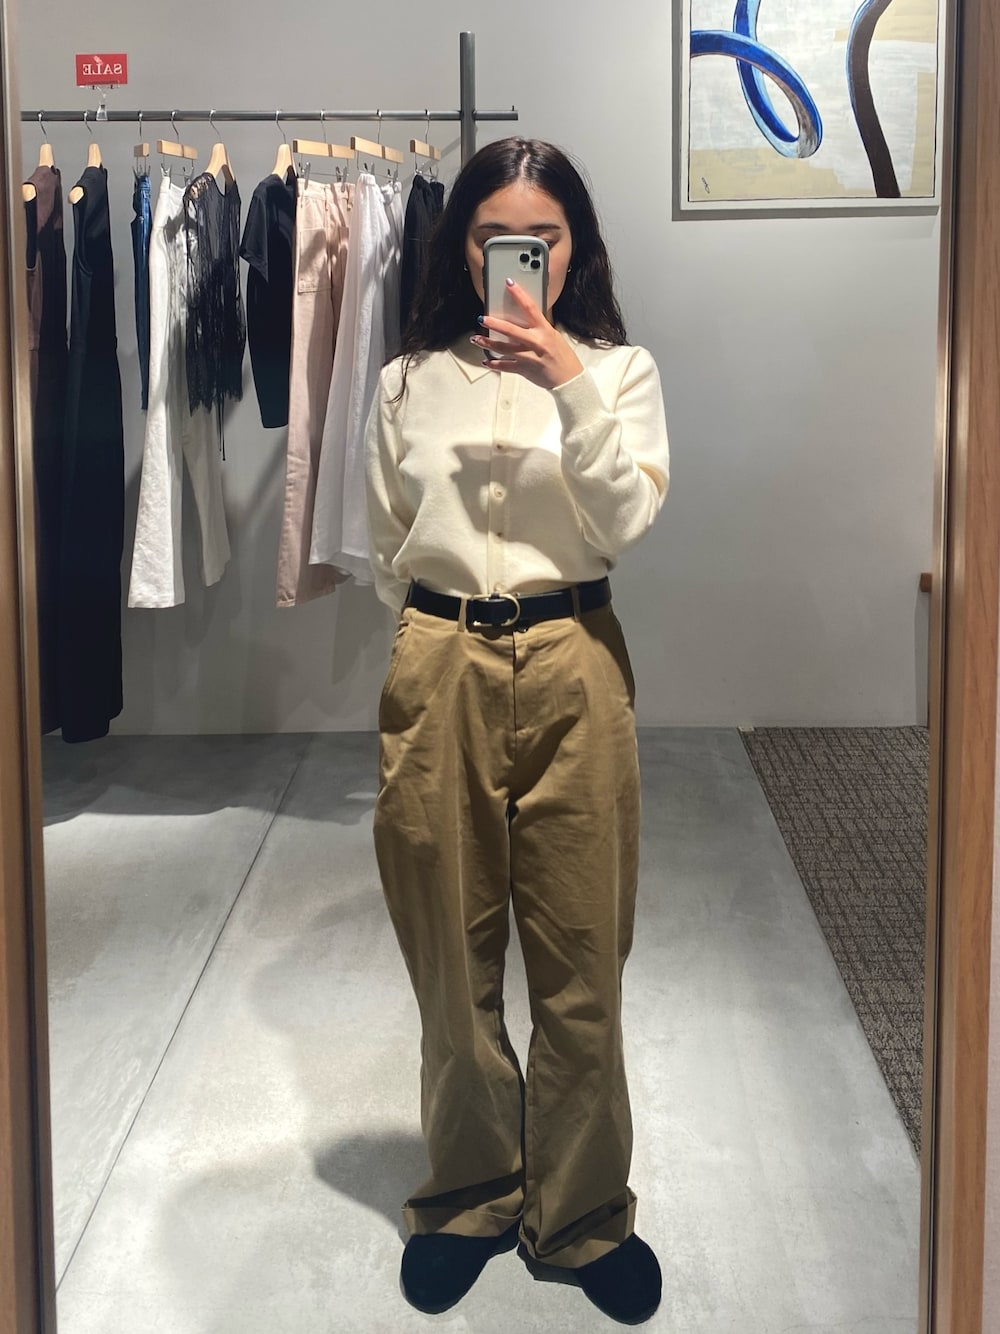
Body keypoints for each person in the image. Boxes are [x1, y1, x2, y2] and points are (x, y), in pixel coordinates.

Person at [363, 136, 670, 1325]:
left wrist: (566, 382)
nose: (519, 257)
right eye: (496, 238)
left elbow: (624, 519)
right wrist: (435, 633)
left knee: (582, 955)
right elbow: (387, 534)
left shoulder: (620, 372)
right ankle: (471, 1192)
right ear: (461, 248)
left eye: (541, 238)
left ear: (575, 246)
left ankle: (582, 1211)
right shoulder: (406, 381)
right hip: (439, 653)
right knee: (449, 953)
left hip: (574, 654)